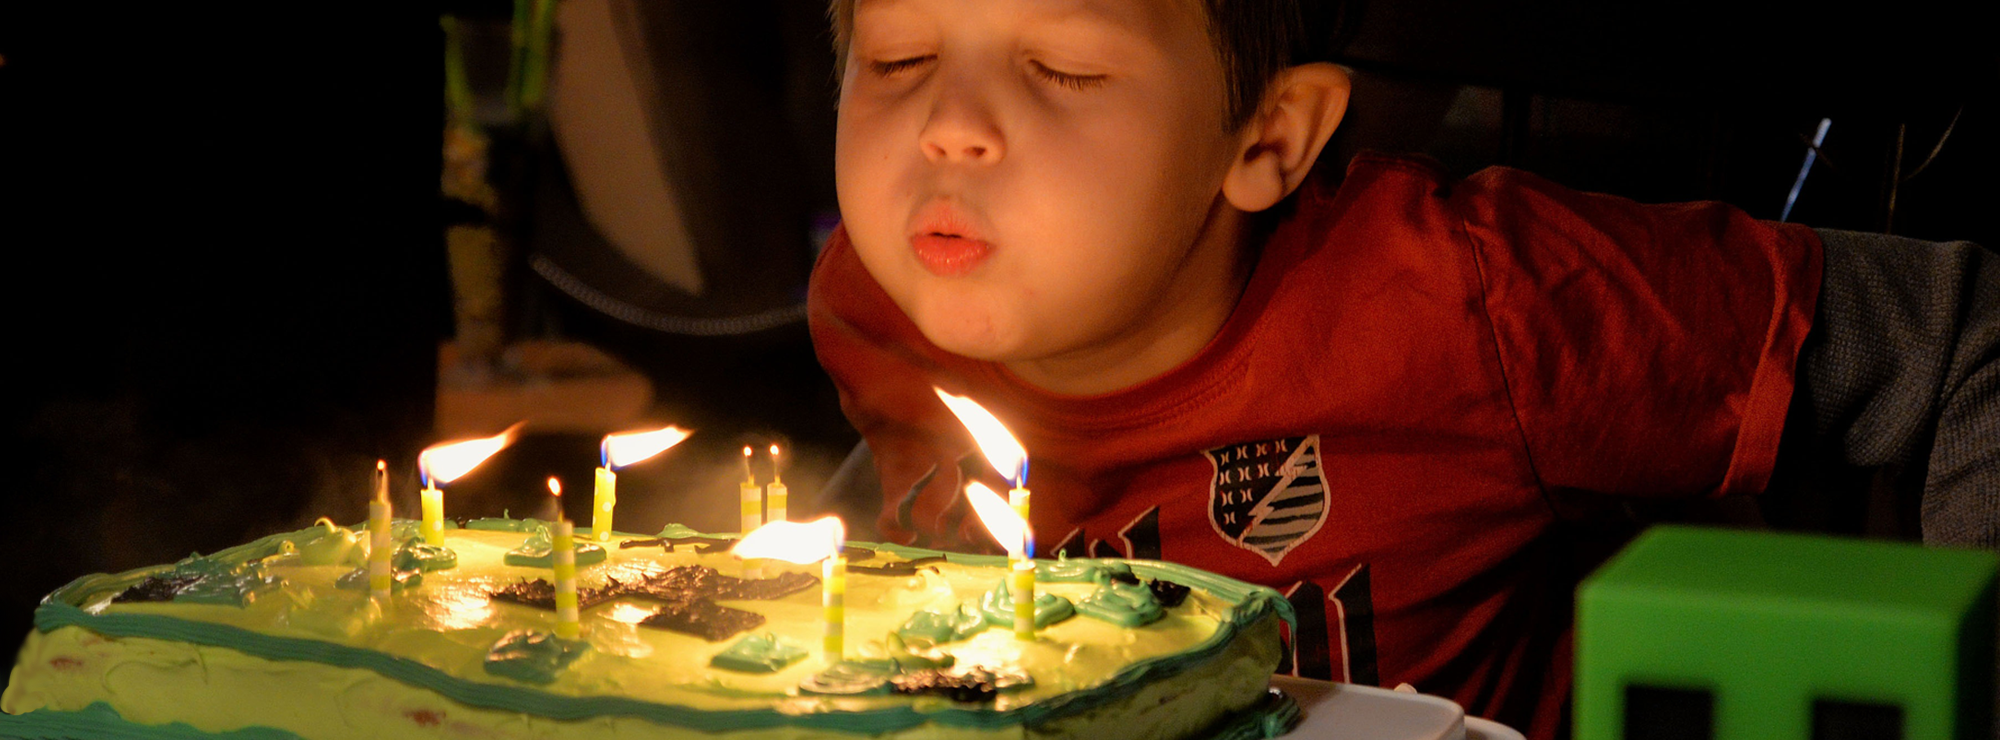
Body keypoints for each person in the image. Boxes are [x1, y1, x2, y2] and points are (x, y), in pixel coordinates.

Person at [803, 0, 2000, 737]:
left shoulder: (1463, 299)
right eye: (897, 56)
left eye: (1059, 67)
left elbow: (1967, 334)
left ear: (1265, 138)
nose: (944, 126)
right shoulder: (877, 302)